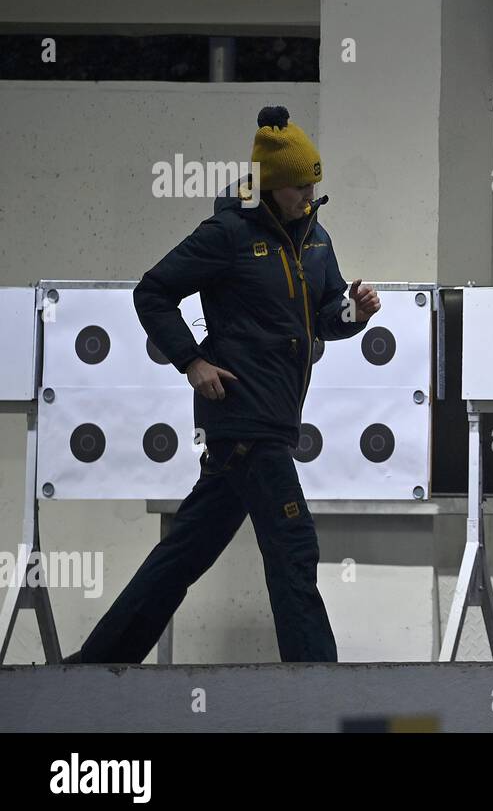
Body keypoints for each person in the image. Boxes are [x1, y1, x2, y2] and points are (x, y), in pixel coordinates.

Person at [65, 106, 381, 664]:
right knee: (293, 546)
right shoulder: (227, 234)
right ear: (273, 185)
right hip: (242, 418)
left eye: (314, 183)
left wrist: (354, 313)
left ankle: (95, 666)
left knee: (183, 555)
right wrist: (191, 361)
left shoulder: (316, 237)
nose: (310, 193)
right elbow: (153, 291)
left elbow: (325, 316)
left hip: (275, 418)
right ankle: (318, 685)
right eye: (301, 185)